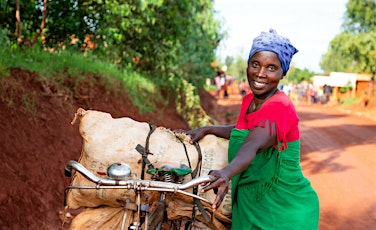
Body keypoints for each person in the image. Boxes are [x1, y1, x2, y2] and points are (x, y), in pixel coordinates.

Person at [178, 29, 319, 229]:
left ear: (282, 73)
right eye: (256, 64)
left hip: (283, 212)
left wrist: (226, 172)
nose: (261, 73)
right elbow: (244, 131)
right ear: (248, 65)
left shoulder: (280, 107)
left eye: (271, 68)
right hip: (252, 204)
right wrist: (209, 129)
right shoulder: (250, 101)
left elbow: (253, 144)